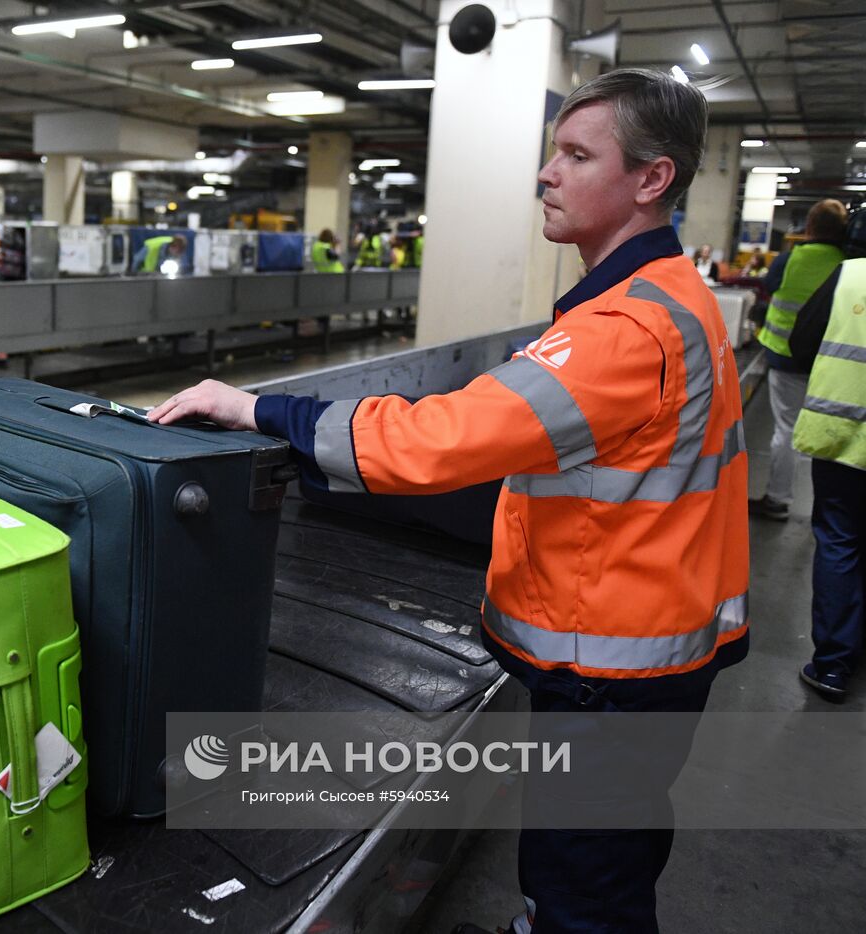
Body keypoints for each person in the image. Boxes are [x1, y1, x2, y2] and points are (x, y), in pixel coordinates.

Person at [150, 68, 748, 934]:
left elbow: (440, 442)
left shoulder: (625, 330)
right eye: (554, 153)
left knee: (588, 881)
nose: (546, 173)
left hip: (616, 670)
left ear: (652, 180)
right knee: (601, 858)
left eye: (577, 155)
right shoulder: (673, 297)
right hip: (657, 634)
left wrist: (258, 409)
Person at [788, 256, 866, 698]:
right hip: (843, 436)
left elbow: (802, 342)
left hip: (844, 435)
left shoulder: (852, 274)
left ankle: (834, 666)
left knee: (840, 541)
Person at [749, 198, 848, 520]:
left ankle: (778, 499)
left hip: (786, 358)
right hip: (833, 364)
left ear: (809, 227)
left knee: (787, 430)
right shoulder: (847, 264)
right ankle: (832, 506)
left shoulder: (789, 260)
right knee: (833, 433)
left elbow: (769, 287)